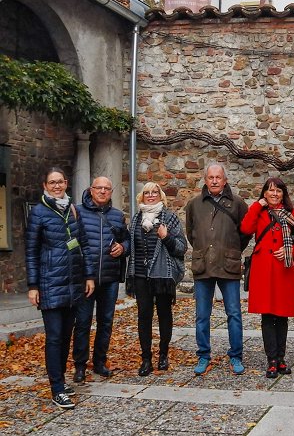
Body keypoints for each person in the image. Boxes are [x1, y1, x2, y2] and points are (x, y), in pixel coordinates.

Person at [26, 167, 95, 409]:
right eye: (52, 182)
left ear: (66, 183)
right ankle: (56, 389)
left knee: (66, 336)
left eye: (60, 182)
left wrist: (88, 276)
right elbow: (31, 252)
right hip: (50, 283)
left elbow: (83, 244)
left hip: (73, 283)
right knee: (54, 337)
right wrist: (33, 285)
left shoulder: (72, 210)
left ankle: (60, 380)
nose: (57, 186)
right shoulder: (38, 213)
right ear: (45, 186)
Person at [240, 177, 294, 377]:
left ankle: (280, 359)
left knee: (282, 316)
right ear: (264, 193)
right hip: (263, 271)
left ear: (283, 194)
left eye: (278, 191)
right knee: (267, 315)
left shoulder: (292, 214)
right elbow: (246, 228)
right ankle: (271, 360)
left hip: (283, 271)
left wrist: (291, 251)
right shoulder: (259, 212)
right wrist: (258, 205)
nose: (274, 194)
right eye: (270, 190)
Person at [185, 163, 250, 376]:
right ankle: (203, 355)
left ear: (225, 180)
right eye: (211, 177)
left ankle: (236, 355)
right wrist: (204, 250)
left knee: (234, 313)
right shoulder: (194, 204)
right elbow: (191, 233)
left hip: (228, 265)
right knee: (202, 315)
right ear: (205, 180)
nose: (214, 181)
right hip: (203, 265)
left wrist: (232, 250)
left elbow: (246, 232)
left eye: (218, 177)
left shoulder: (238, 203)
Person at [72, 176, 129, 383]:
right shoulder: (77, 212)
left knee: (106, 322)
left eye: (107, 188)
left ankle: (99, 362)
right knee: (83, 322)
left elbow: (127, 240)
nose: (103, 191)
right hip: (85, 279)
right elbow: (71, 241)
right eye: (99, 188)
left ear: (111, 192)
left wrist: (123, 248)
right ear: (91, 190)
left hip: (110, 278)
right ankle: (80, 365)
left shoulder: (117, 215)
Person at [127, 182, 186, 376]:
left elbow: (181, 247)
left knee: (164, 315)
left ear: (161, 196)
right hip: (141, 275)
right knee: (144, 316)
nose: (151, 195)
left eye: (154, 192)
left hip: (163, 275)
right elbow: (131, 247)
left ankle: (163, 355)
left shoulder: (170, 218)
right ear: (142, 196)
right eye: (147, 192)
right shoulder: (136, 219)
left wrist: (166, 237)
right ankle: (146, 358)